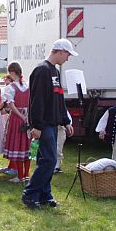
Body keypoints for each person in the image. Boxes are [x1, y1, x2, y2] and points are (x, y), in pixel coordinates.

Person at [22, 38, 76, 209]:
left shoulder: (55, 72)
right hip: (43, 125)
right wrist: (36, 126)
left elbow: (58, 99)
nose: (68, 58)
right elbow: (36, 101)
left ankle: (45, 195)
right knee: (49, 161)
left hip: (52, 124)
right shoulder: (42, 70)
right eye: (67, 55)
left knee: (45, 160)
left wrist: (65, 121)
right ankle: (30, 194)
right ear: (60, 51)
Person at [2, 62, 32, 183]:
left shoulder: (11, 87)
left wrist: (21, 116)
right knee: (26, 145)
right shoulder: (28, 85)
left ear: (12, 72)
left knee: (19, 145)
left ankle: (20, 176)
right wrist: (27, 116)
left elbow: (11, 105)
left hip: (17, 119)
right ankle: (25, 174)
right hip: (28, 117)